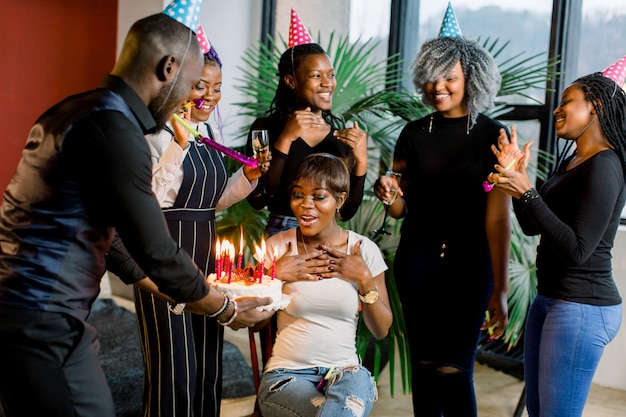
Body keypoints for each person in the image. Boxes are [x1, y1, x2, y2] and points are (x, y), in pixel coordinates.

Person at [0, 14, 272, 417]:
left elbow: (117, 247)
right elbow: (157, 249)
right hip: (40, 315)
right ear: (168, 69)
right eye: (192, 84)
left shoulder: (74, 111)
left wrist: (195, 298)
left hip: (53, 314)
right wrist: (226, 310)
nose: (193, 100)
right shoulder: (116, 132)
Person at [110, 35, 270, 417]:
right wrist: (178, 144)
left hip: (207, 261)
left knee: (205, 369)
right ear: (178, 85)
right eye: (201, 86)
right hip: (165, 257)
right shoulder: (154, 135)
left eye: (217, 87)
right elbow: (149, 200)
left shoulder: (209, 136)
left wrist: (248, 179)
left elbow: (209, 202)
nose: (211, 96)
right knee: (174, 372)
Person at [374, 36, 511, 416]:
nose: (438, 86)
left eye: (448, 77)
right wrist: (386, 191)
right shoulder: (413, 134)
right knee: (424, 368)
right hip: (417, 264)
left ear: (472, 77)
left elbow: (499, 217)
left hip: (470, 268)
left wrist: (501, 286)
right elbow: (400, 208)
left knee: (454, 370)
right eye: (431, 77)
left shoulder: (494, 135)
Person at [487, 71, 625, 417]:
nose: (556, 110)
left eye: (567, 102)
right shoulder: (573, 161)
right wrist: (518, 186)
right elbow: (533, 227)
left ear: (595, 107)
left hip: (582, 308)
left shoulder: (605, 166)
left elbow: (578, 250)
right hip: (551, 300)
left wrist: (527, 191)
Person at [257, 153, 393, 417]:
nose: (306, 205)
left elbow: (381, 330)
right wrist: (275, 276)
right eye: (298, 195)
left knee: (352, 387)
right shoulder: (277, 248)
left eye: (318, 197)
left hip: (345, 374)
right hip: (285, 377)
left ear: (340, 200)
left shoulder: (364, 250)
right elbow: (255, 323)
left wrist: (364, 279)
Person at [246, 41, 368, 238]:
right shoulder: (265, 129)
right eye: (316, 75)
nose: (328, 83)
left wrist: (361, 162)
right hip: (281, 234)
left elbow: (345, 212)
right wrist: (285, 138)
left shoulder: (341, 138)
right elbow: (258, 199)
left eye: (331, 75)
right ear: (291, 81)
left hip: (328, 236)